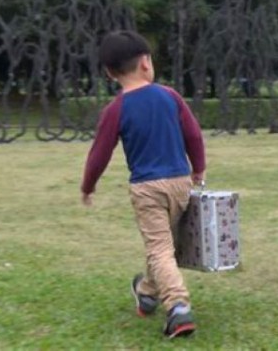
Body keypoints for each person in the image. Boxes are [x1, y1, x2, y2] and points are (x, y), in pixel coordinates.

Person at [80, 30, 205, 339]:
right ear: (147, 63)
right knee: (166, 245)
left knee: (160, 248)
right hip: (179, 182)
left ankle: (178, 307)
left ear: (109, 73)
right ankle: (147, 292)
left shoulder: (116, 109)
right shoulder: (170, 96)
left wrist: (88, 185)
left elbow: (100, 152)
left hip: (147, 188)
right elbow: (193, 135)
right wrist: (198, 168)